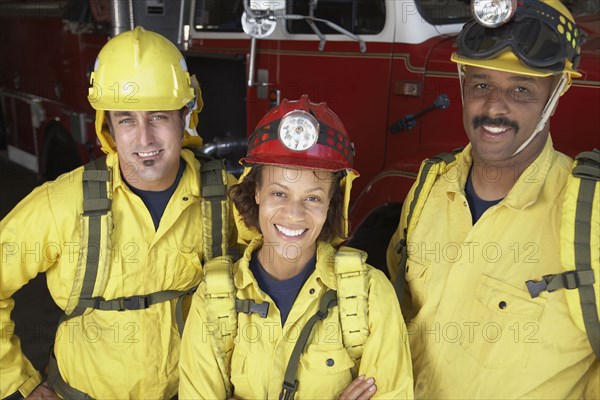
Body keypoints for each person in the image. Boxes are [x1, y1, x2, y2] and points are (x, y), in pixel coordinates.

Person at [0, 26, 236, 399]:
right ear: (107, 126)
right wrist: (19, 383)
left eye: (158, 116)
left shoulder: (226, 198)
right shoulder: (63, 204)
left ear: (185, 117)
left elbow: (299, 268)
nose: (144, 139)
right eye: (127, 119)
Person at [387, 0, 599, 398]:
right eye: (481, 84)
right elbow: (396, 313)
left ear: (560, 90)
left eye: (521, 88)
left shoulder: (590, 213)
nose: (493, 107)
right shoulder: (429, 187)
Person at [179, 95, 413, 399]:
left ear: (331, 204)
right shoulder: (214, 298)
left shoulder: (369, 295)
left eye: (313, 197)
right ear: (257, 191)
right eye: (279, 193)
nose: (294, 213)